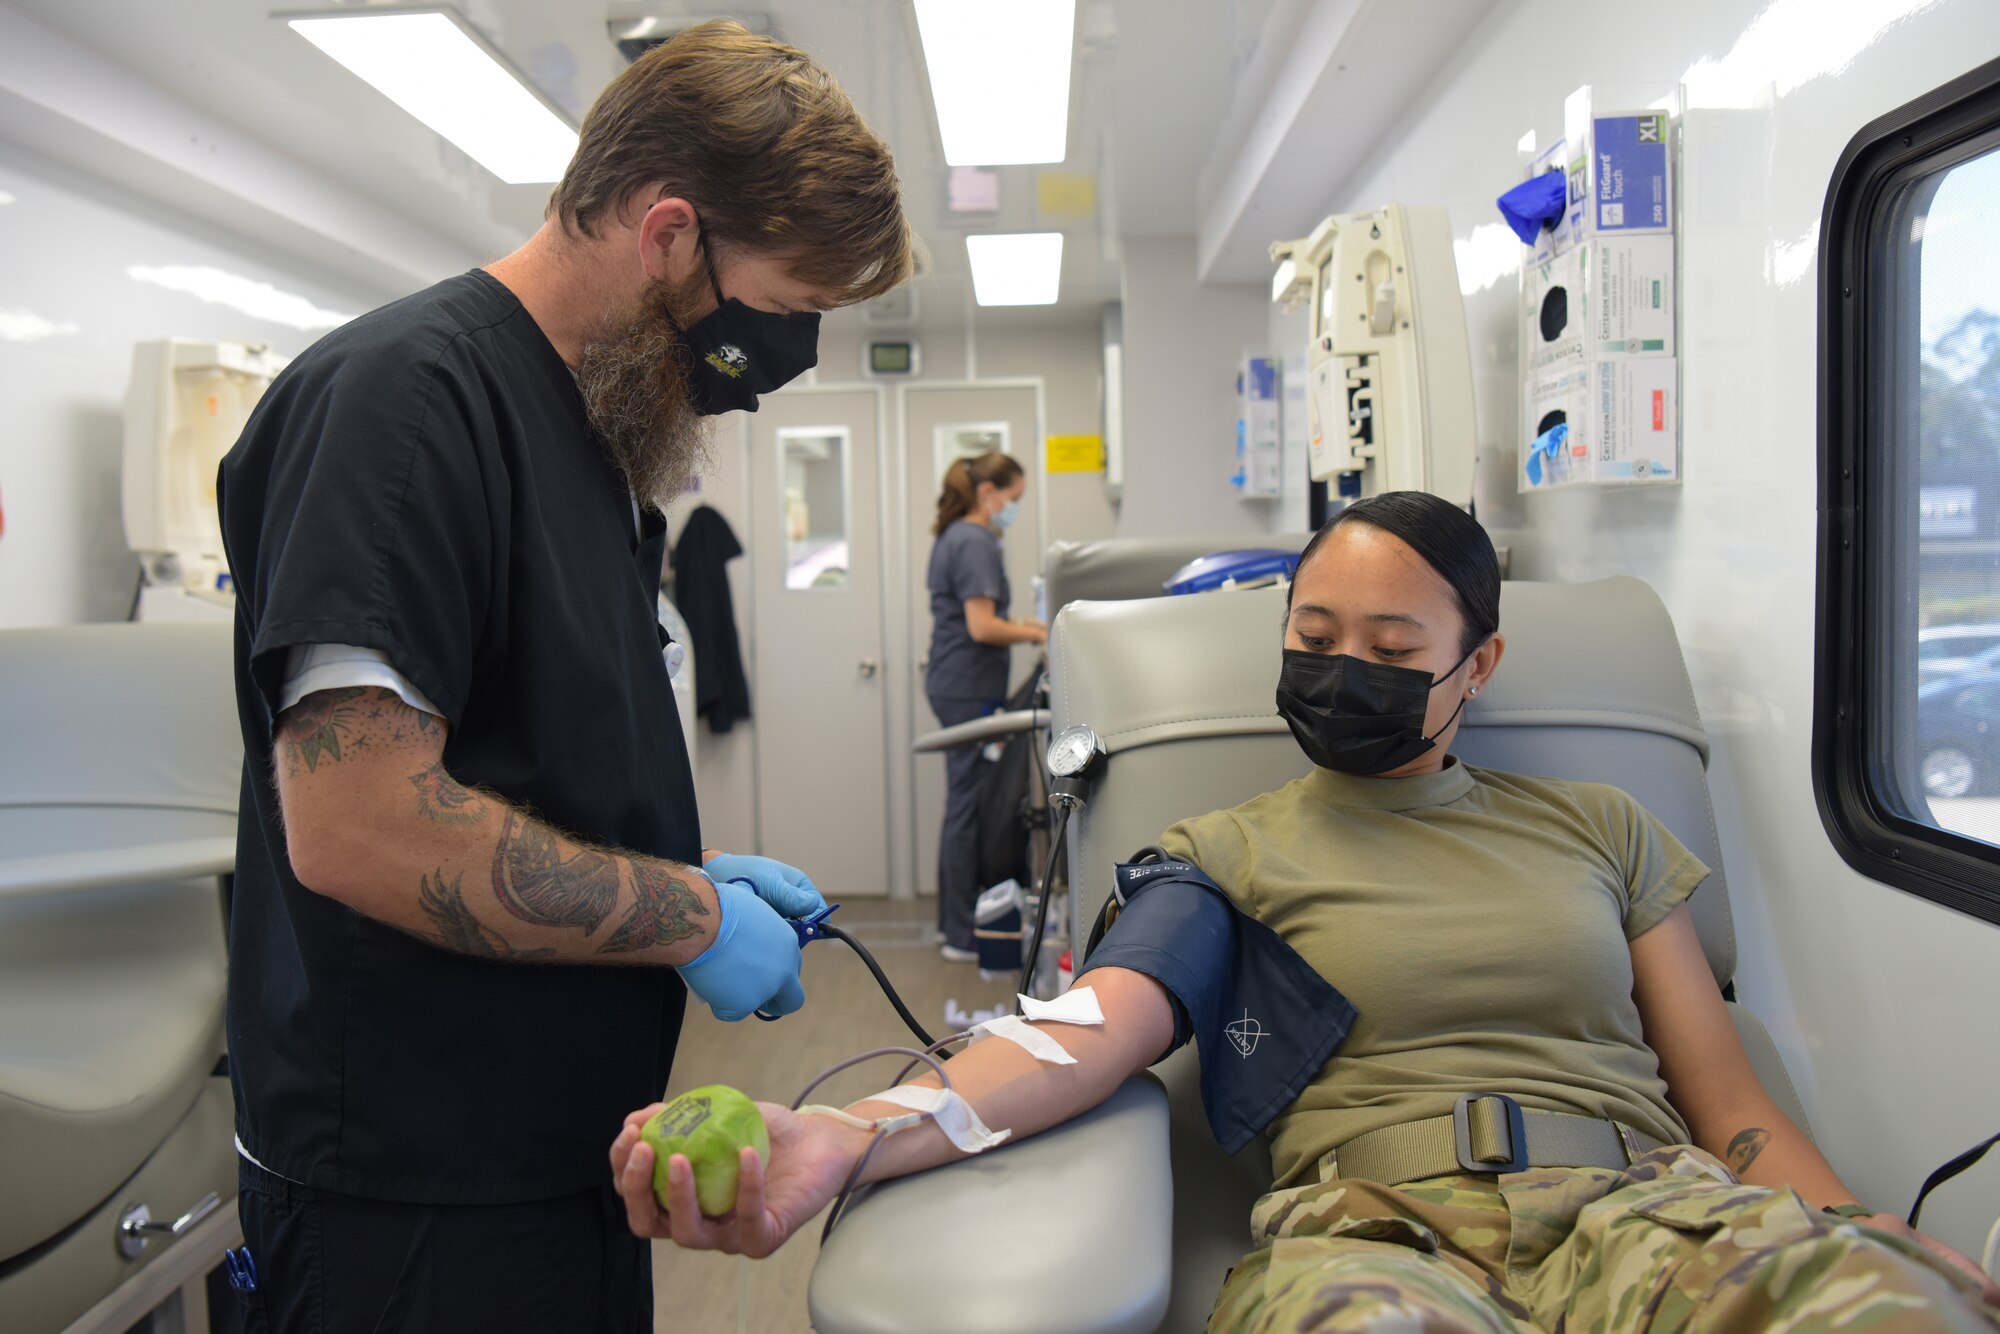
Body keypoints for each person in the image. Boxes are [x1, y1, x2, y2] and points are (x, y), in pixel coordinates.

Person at [609, 492, 2000, 1330]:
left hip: (1646, 1211)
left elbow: (1733, 1105)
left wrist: (1864, 1237)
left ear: (1479, 664)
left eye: (1394, 652)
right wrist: (840, 1138)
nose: (1346, 674)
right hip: (1377, 1235)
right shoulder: (1226, 849)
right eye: (1316, 639)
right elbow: (1078, 1038)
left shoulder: (1601, 829)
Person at [215, 21, 910, 1332]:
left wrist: (692, 874)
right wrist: (689, 916)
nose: (768, 373)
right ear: (667, 236)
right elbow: (361, 823)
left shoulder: (593, 433)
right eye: (780, 315)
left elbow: (539, 753)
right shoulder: (404, 409)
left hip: (559, 1146)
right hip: (414, 1193)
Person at [923, 451, 1047, 961]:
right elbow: (981, 627)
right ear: (988, 494)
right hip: (966, 686)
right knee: (968, 803)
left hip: (960, 682)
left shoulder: (956, 535)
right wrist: (1035, 631)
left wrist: (1021, 626)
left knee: (966, 799)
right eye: (1013, 499)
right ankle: (959, 933)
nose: (1013, 509)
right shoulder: (974, 540)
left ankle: (954, 923)